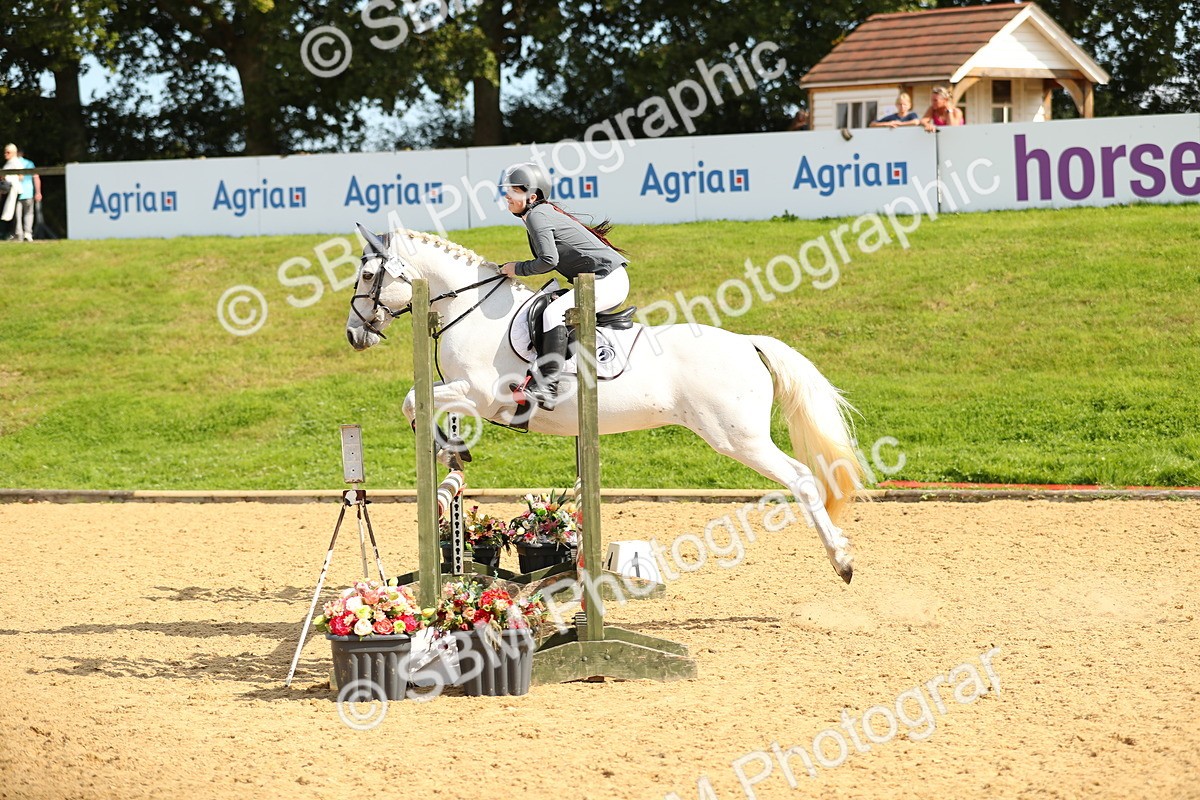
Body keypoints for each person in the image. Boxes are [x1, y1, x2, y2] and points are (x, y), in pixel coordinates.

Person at [498, 162, 630, 411]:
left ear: (532, 196)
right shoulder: (538, 214)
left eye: (514, 191)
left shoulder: (537, 215)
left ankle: (548, 385)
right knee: (552, 307)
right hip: (597, 280)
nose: (507, 195)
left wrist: (517, 269)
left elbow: (548, 261)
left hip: (608, 280)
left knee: (553, 313)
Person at [3, 143, 40, 241]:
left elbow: (20, 177)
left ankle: (19, 234)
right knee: (29, 213)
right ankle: (28, 233)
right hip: (29, 192)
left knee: (18, 215)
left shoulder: (13, 162)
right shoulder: (29, 163)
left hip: (17, 193)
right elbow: (36, 177)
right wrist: (38, 192)